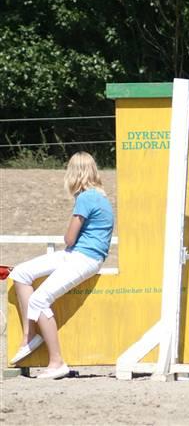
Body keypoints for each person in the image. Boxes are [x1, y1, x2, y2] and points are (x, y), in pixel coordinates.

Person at [6, 151, 114, 379]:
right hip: (79, 254)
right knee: (22, 273)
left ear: (75, 174)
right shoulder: (102, 198)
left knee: (39, 298)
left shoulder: (85, 198)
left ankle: (57, 362)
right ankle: (30, 335)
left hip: (83, 256)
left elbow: (69, 238)